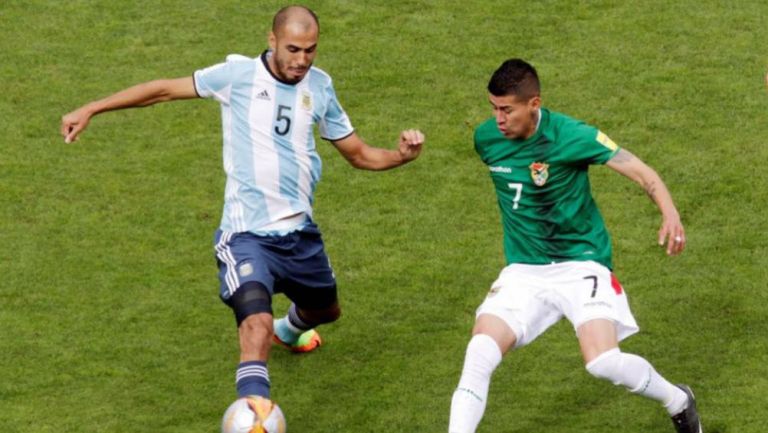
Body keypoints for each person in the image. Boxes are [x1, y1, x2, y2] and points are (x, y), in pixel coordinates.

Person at [61, 5, 424, 402]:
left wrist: (400, 156)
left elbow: (358, 154)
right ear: (271, 41)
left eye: (310, 50)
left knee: (326, 312)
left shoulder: (320, 87)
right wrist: (92, 107)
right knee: (255, 327)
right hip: (246, 235)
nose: (301, 60)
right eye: (293, 49)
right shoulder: (237, 77)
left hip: (300, 235)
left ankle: (290, 332)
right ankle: (254, 414)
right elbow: (163, 89)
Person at [448, 59, 701, 433]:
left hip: (582, 264)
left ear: (534, 104)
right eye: (493, 108)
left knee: (602, 362)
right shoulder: (487, 140)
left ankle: (679, 401)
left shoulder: (572, 135)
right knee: (479, 351)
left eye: (507, 109)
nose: (498, 119)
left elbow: (642, 172)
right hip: (524, 270)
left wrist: (670, 213)